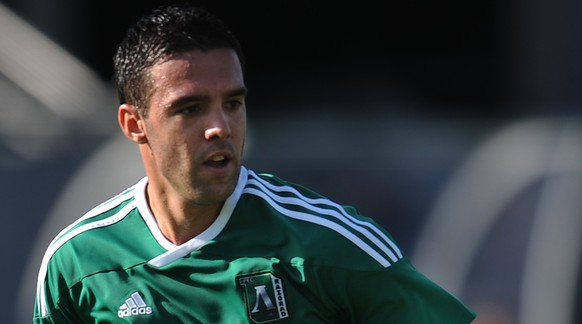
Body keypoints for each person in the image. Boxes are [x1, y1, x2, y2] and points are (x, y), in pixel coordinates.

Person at [33, 4, 476, 323]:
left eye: (233, 103)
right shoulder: (76, 265)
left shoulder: (327, 244)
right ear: (134, 124)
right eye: (190, 109)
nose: (219, 127)